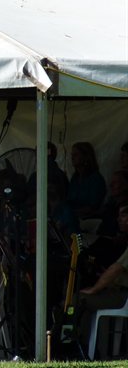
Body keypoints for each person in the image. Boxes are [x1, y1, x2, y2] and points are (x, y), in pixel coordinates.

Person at [76, 203, 128, 356]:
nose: (119, 219)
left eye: (123, 215)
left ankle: (72, 345)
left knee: (78, 299)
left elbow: (116, 268)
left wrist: (94, 289)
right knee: (85, 302)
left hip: (124, 296)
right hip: (119, 291)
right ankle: (88, 348)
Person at [68, 141, 107, 221]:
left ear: (86, 157)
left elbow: (94, 207)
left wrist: (73, 212)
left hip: (90, 220)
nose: (72, 158)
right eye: (72, 155)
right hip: (74, 218)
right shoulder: (75, 178)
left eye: (75, 155)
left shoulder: (95, 179)